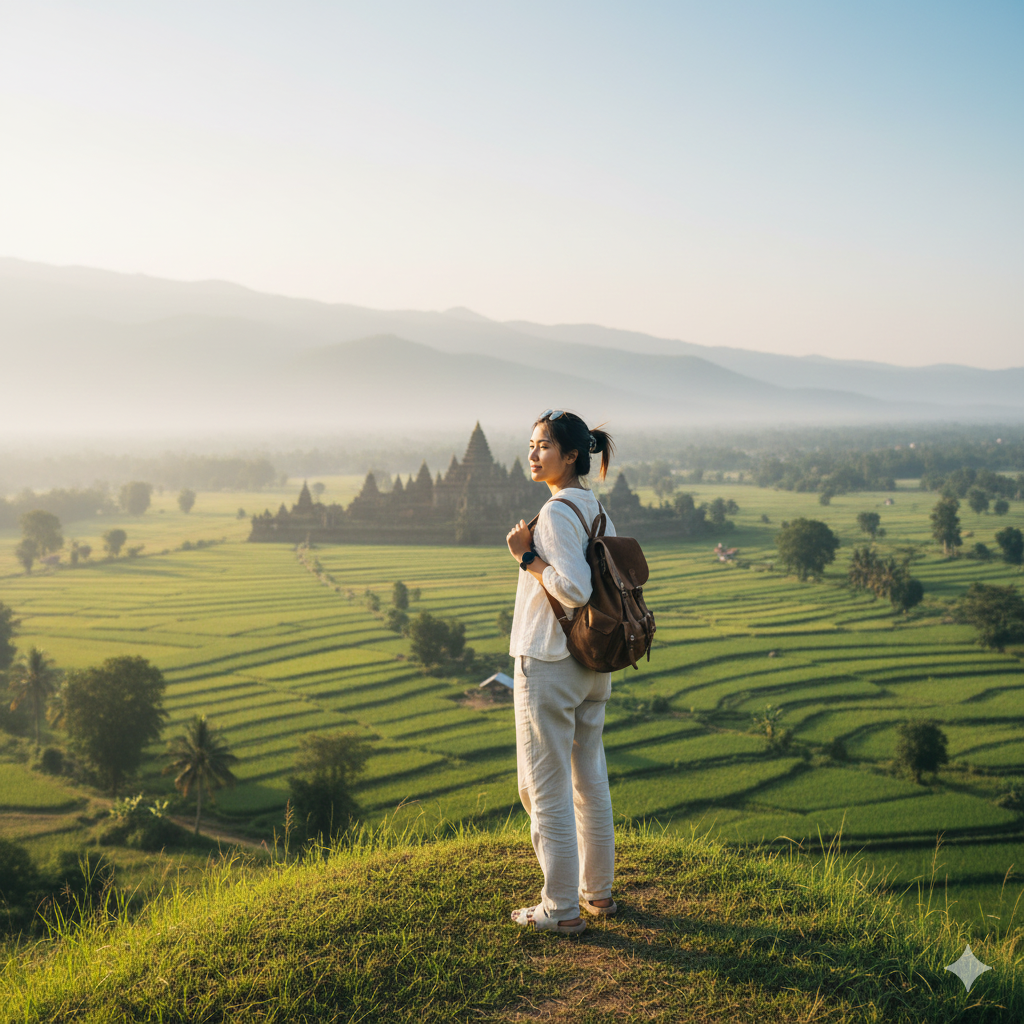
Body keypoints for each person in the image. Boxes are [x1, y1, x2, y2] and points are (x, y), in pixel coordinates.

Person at [505, 409, 618, 935]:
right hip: (593, 663)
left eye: (543, 446)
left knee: (542, 787)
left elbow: (573, 587)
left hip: (550, 662)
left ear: (570, 455)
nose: (533, 454)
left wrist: (526, 557)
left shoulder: (553, 514)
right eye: (531, 445)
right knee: (589, 780)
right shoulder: (595, 510)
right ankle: (596, 894)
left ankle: (559, 907)